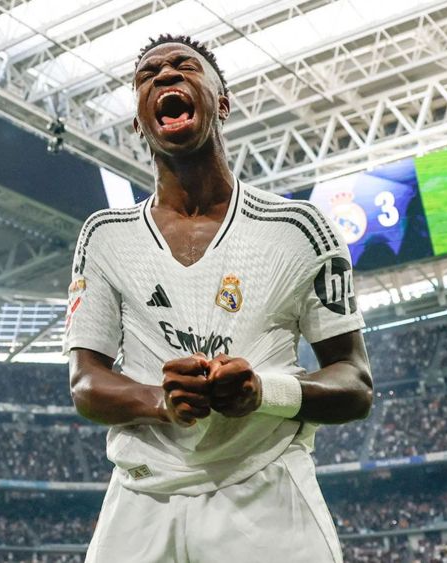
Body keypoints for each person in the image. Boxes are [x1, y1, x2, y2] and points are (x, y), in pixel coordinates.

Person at [65, 34, 373, 563]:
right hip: (142, 499)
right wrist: (161, 403)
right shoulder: (104, 235)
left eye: (185, 66)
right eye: (147, 75)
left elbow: (355, 383)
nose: (164, 75)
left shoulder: (302, 228)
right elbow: (85, 382)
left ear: (221, 103)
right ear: (140, 123)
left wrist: (263, 392)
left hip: (265, 493)